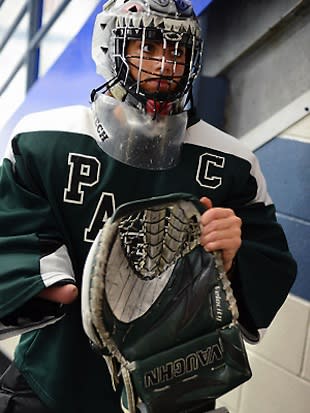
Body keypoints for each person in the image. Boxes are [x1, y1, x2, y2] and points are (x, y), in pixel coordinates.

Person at [0, 0, 297, 412]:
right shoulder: (44, 139)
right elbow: (13, 229)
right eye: (147, 45)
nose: (163, 64)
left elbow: (269, 265)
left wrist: (232, 259)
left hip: (175, 388)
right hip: (54, 380)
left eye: (177, 51)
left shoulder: (232, 162)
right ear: (110, 46)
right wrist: (52, 285)